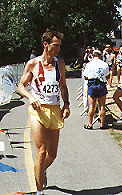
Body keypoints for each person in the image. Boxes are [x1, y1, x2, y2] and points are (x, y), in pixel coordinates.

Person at [17, 30, 70, 195]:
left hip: (54, 110)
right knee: (41, 152)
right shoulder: (33, 63)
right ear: (45, 44)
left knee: (52, 155)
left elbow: (62, 86)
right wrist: (30, 97)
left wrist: (66, 104)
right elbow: (20, 86)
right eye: (55, 45)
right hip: (37, 111)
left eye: (59, 46)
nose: (58, 49)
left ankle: (41, 171)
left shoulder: (59, 63)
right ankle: (39, 191)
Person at [83, 50, 110, 129]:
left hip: (92, 84)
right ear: (100, 55)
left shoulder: (89, 64)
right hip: (101, 84)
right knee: (102, 105)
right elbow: (107, 75)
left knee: (91, 106)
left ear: (93, 55)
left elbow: (85, 76)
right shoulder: (104, 64)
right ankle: (102, 124)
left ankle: (90, 124)